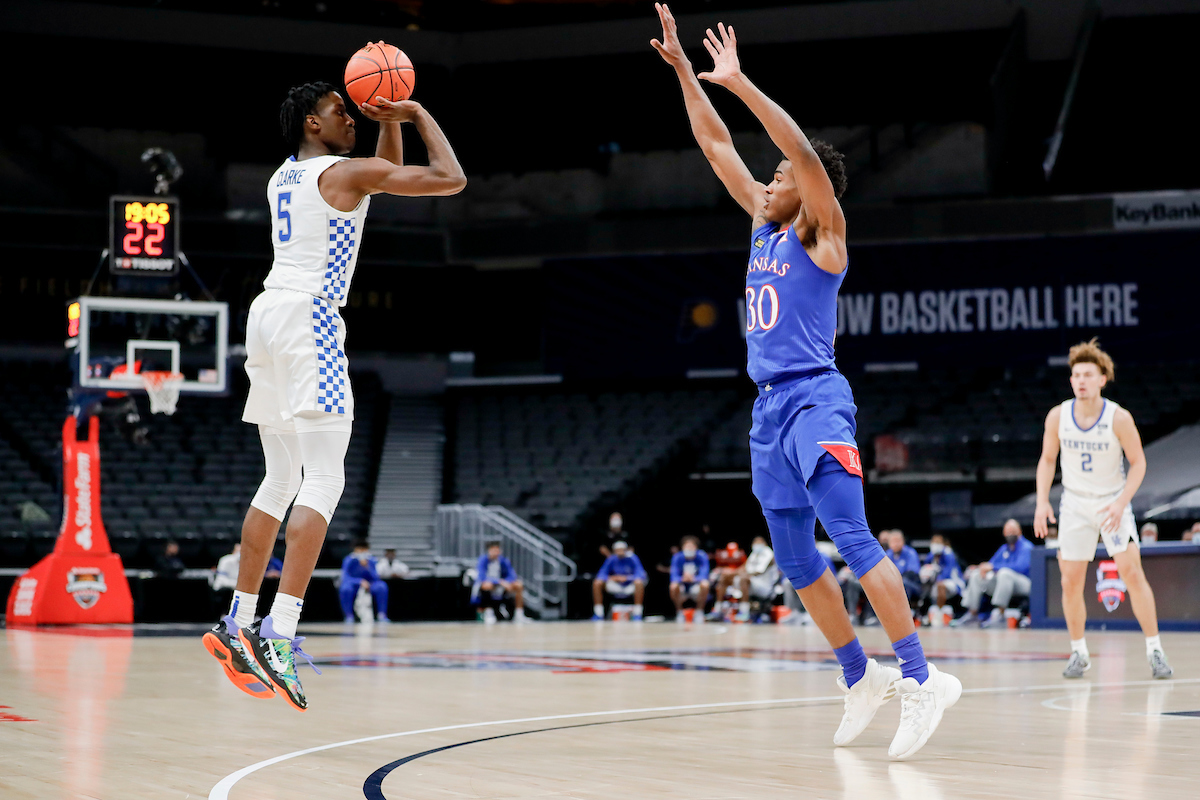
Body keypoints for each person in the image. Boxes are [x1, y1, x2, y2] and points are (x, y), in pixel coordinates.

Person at [652, 4, 958, 760]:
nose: (770, 180)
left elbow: (800, 152)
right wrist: (690, 77)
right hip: (768, 410)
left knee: (850, 536)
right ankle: (860, 676)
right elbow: (713, 140)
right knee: (793, 557)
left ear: (806, 188)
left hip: (817, 397)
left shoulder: (823, 232)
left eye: (780, 176)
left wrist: (742, 81)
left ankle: (922, 679)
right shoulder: (762, 221)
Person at [202, 79, 466, 710]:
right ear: (314, 127)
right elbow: (450, 179)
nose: (349, 117)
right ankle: (280, 633)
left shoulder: (282, 177)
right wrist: (418, 111)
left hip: (264, 315)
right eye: (338, 112)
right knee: (324, 480)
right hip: (310, 320)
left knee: (279, 477)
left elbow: (380, 175)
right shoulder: (345, 173)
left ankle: (238, 620)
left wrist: (386, 124)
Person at [1033, 339, 1172, 679]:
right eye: (1075, 374)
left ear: (1102, 379)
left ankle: (1155, 649)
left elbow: (1138, 463)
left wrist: (1122, 502)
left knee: (1132, 573)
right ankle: (1079, 652)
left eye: (1087, 374)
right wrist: (1040, 502)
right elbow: (1048, 460)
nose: (1080, 380)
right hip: (1075, 502)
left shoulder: (1118, 417)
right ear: (1071, 380)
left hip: (1112, 500)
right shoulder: (1058, 416)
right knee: (1069, 582)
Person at [954, 520, 1033, 628]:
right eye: (1007, 532)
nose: (1010, 534)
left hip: (1024, 583)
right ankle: (972, 614)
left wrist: (993, 567)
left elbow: (1021, 567)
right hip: (1004, 584)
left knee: (1004, 573)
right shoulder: (1004, 548)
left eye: (1012, 531)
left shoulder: (1026, 547)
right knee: (976, 574)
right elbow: (991, 564)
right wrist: (979, 567)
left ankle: (1000, 614)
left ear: (1019, 531)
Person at [474, 541, 528, 624]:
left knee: (518, 585)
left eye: (497, 550)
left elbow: (511, 575)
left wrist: (507, 582)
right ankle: (489, 612)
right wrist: (499, 581)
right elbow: (482, 577)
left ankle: (519, 614)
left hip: (503, 586)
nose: (496, 553)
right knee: (487, 585)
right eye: (493, 550)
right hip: (491, 585)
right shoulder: (483, 560)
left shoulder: (503, 561)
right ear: (489, 550)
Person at [592, 541, 647, 621]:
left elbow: (641, 574)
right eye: (618, 550)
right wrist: (614, 578)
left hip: (629, 585)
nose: (620, 552)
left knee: (639, 583)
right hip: (615, 586)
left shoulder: (632, 558)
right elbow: (601, 574)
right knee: (597, 583)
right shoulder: (611, 559)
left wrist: (627, 578)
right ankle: (598, 613)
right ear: (614, 551)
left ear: (626, 550)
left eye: (622, 549)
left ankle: (637, 613)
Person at [338, 541, 389, 624]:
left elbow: (376, 577)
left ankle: (382, 614)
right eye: (359, 549)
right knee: (345, 589)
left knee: (382, 586)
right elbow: (345, 577)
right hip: (354, 584)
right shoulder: (349, 560)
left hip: (370, 583)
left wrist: (367, 567)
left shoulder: (372, 560)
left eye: (363, 549)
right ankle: (349, 615)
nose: (361, 551)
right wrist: (359, 581)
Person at [919, 534, 963, 627]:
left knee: (940, 585)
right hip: (936, 582)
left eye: (938, 543)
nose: (935, 545)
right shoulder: (932, 555)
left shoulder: (948, 554)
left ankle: (940, 611)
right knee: (925, 586)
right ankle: (923, 614)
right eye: (934, 542)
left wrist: (937, 577)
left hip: (954, 583)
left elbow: (947, 573)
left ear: (942, 544)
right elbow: (925, 566)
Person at [669, 535, 710, 623]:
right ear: (682, 547)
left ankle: (699, 611)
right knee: (673, 586)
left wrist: (694, 578)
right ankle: (679, 612)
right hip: (682, 586)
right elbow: (673, 575)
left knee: (705, 584)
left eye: (691, 546)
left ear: (696, 547)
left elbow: (704, 574)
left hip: (696, 585)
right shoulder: (677, 557)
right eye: (687, 546)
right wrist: (682, 578)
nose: (689, 549)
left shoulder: (702, 556)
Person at [884, 531, 922, 614]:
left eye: (898, 541)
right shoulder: (887, 554)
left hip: (912, 584)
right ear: (889, 543)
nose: (896, 544)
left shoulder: (910, 553)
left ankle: (903, 613)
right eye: (893, 541)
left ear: (903, 541)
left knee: (903, 582)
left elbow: (912, 572)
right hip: (892, 583)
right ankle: (874, 616)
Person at [710, 541, 748, 620]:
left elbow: (745, 568)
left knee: (743, 580)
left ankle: (744, 611)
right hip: (730, 580)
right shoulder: (722, 555)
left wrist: (733, 572)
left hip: (743, 580)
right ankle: (718, 608)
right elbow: (718, 568)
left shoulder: (742, 556)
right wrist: (725, 570)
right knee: (722, 579)